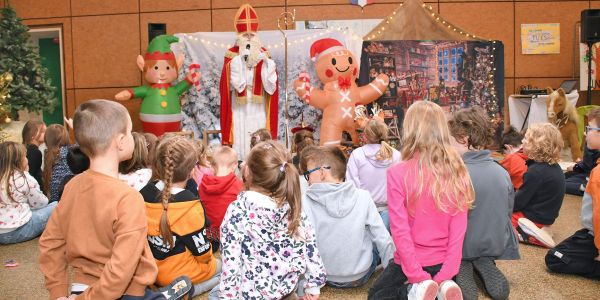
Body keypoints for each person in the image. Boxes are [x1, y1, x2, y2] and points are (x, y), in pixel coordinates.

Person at [39, 100, 193, 300]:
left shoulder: (72, 186)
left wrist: (59, 293)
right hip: (126, 292)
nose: (131, 136)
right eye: (130, 132)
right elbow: (121, 270)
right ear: (120, 141)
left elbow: (51, 243)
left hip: (82, 287)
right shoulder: (129, 198)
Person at [369, 101, 474, 300]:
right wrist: (445, 275)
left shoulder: (397, 173)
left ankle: (412, 291)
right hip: (445, 263)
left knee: (376, 295)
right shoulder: (458, 171)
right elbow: (459, 230)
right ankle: (441, 288)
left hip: (410, 262)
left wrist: (417, 276)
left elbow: (399, 231)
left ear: (409, 130)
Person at [212, 140, 326, 299]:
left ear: (247, 172)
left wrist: (228, 296)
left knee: (215, 293)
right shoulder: (294, 209)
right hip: (285, 293)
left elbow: (231, 265)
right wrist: (314, 286)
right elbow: (310, 247)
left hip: (249, 295)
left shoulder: (237, 210)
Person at [449, 107, 520, 300]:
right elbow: (507, 213)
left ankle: (462, 264)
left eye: (450, 140)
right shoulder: (502, 173)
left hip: (462, 245)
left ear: (463, 138)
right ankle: (483, 260)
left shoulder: (454, 174)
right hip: (494, 242)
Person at [302, 145, 395, 288]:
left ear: (321, 173)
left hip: (323, 275)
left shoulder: (305, 200)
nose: (307, 180)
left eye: (308, 174)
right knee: (378, 227)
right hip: (359, 275)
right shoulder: (363, 196)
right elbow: (383, 239)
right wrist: (391, 276)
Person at [141, 134, 220, 297]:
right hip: (183, 274)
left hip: (153, 269)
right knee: (225, 268)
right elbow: (203, 255)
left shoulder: (143, 193)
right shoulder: (190, 205)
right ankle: (189, 290)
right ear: (192, 171)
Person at [546, 107, 600, 279]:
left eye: (589, 129)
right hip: (591, 233)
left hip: (595, 238)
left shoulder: (598, 174)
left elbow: (598, 216)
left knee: (555, 258)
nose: (586, 134)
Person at [220, 3, 279, 160]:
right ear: (239, 36)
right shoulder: (232, 55)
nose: (248, 38)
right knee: (241, 129)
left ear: (256, 35)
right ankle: (240, 161)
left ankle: (259, 159)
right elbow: (232, 82)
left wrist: (267, 63)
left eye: (251, 35)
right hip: (239, 102)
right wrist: (240, 58)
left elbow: (271, 86)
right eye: (245, 35)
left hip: (258, 103)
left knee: (258, 127)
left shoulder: (264, 53)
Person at [512, 123, 565, 249]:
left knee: (498, 220)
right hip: (546, 217)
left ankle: (528, 234)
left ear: (536, 146)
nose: (522, 141)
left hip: (533, 217)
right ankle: (541, 229)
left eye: (526, 139)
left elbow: (518, 203)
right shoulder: (553, 167)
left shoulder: (536, 172)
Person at [346, 119, 401, 231]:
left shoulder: (357, 155)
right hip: (391, 211)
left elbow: (351, 185)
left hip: (364, 211)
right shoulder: (396, 155)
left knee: (367, 247)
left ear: (365, 136)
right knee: (388, 247)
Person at [0, 141, 55, 244]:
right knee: (56, 205)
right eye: (25, 157)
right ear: (18, 161)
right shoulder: (24, 178)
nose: (27, 159)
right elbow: (41, 203)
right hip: (19, 231)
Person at [199, 146, 243, 251]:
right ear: (234, 165)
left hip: (208, 237)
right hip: (230, 237)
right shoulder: (238, 186)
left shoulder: (203, 185)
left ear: (212, 166)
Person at [43, 124, 72, 202]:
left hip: (54, 201)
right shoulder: (68, 151)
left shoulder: (47, 154)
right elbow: (85, 146)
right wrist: (74, 128)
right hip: (67, 199)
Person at [21, 120, 46, 188]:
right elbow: (31, 175)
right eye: (43, 131)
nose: (46, 133)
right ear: (32, 135)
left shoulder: (27, 149)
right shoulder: (34, 152)